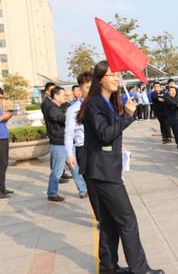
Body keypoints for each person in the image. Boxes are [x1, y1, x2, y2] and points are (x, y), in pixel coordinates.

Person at [77, 61, 164, 274]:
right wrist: (126, 116)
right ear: (101, 79)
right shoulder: (95, 103)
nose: (117, 79)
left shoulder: (105, 102)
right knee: (127, 220)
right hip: (103, 172)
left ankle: (107, 267)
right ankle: (140, 269)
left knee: (109, 222)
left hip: (106, 169)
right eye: (112, 75)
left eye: (118, 75)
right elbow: (105, 135)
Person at [65, 71, 100, 221]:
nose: (90, 90)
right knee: (92, 186)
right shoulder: (73, 110)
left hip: (100, 148)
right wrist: (69, 154)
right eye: (87, 87)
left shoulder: (101, 104)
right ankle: (100, 218)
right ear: (80, 88)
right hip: (84, 150)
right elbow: (68, 133)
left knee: (104, 184)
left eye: (93, 86)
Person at [46, 86, 87, 201]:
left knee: (75, 168)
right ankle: (52, 193)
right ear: (56, 96)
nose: (66, 97)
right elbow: (64, 119)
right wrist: (71, 111)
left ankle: (83, 190)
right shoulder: (51, 108)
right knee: (57, 171)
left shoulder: (60, 106)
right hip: (58, 144)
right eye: (63, 95)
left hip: (67, 143)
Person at [0, 88, 14, 199]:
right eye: (0, 97)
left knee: (4, 164)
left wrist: (6, 118)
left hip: (3, 136)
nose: (1, 99)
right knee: (2, 164)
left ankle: (2, 188)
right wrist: (2, 117)